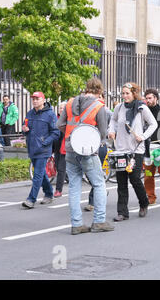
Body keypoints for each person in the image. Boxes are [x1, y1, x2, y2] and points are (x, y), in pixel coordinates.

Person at [57, 78, 114, 234]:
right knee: (99, 184)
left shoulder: (69, 103)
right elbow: (102, 132)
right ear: (99, 91)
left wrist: (72, 136)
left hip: (70, 149)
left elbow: (60, 125)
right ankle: (99, 221)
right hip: (88, 151)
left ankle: (76, 224)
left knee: (74, 187)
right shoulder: (99, 107)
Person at [108, 82, 157, 221]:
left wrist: (143, 136)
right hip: (121, 149)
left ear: (134, 94)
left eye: (127, 93)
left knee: (135, 178)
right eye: (123, 93)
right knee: (121, 181)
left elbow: (153, 124)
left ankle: (143, 203)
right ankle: (122, 212)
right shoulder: (119, 107)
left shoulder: (142, 108)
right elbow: (113, 120)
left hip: (136, 150)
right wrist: (111, 130)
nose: (124, 96)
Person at [21, 92, 60, 209]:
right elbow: (25, 128)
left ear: (43, 100)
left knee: (37, 175)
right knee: (41, 173)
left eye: (37, 99)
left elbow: (56, 133)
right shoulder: (30, 113)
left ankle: (31, 199)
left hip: (43, 150)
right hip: (32, 148)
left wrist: (44, 142)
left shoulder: (50, 114)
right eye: (33, 99)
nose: (34, 101)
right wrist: (25, 130)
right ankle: (49, 193)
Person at [84, 92, 112, 211]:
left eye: (100, 97)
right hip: (88, 146)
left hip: (100, 146)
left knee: (95, 173)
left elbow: (112, 126)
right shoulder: (87, 110)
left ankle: (92, 201)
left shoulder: (107, 112)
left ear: (104, 99)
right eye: (97, 97)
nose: (98, 99)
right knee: (89, 174)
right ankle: (102, 190)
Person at [53, 101, 67, 198]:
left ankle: (58, 190)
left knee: (61, 169)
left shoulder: (68, 119)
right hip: (56, 147)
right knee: (58, 167)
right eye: (60, 108)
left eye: (63, 108)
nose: (61, 109)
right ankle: (67, 178)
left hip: (64, 147)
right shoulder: (55, 119)